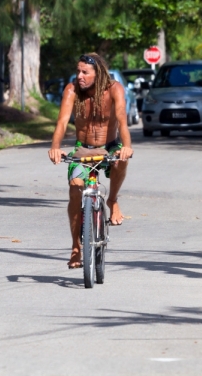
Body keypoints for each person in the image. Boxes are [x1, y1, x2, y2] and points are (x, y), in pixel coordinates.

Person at [48, 53, 134, 269]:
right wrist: (55, 148)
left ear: (99, 74)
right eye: (78, 71)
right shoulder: (72, 91)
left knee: (121, 161)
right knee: (75, 188)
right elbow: (61, 122)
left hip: (110, 146)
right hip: (83, 149)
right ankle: (76, 247)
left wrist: (127, 146)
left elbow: (122, 120)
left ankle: (112, 200)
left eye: (85, 72)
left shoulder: (114, 89)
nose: (79, 76)